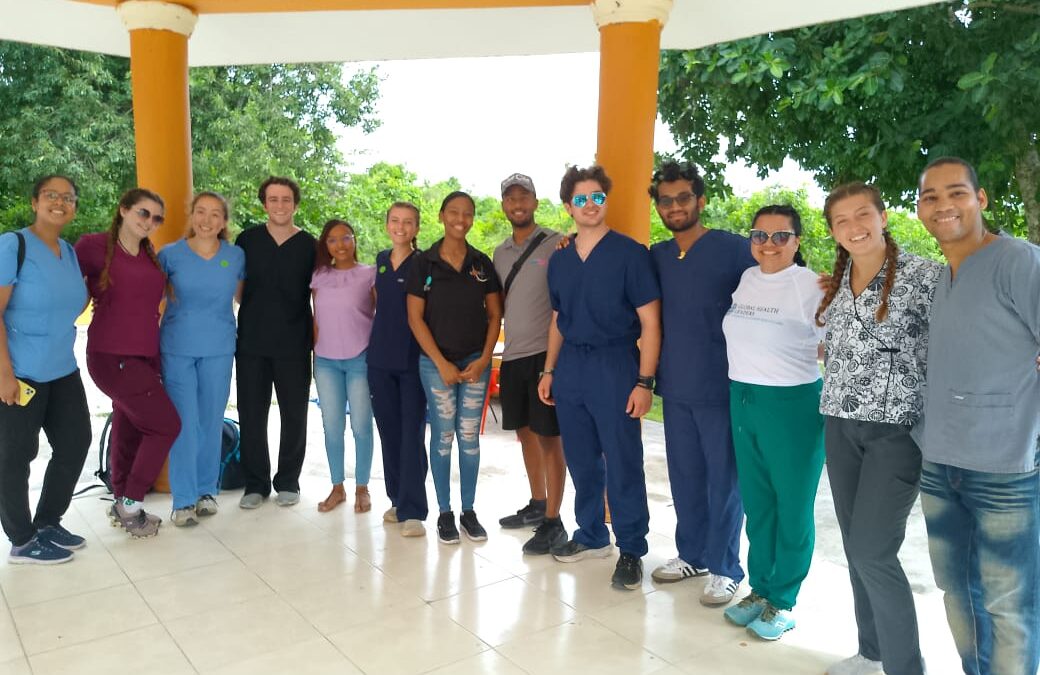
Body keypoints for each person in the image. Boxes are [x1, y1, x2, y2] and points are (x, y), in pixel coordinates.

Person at [915, 157, 1040, 675]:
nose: (944, 205)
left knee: (1009, 607)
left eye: (957, 193)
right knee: (956, 595)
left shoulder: (1018, 261)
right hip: (940, 465)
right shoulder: (944, 274)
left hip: (1004, 468)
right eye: (930, 197)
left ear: (981, 199)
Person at [815, 183, 940, 675]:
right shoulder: (836, 284)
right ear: (832, 231)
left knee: (873, 550)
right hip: (840, 425)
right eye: (841, 220)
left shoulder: (926, 277)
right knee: (854, 546)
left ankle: (905, 667)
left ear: (884, 216)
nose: (854, 227)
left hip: (897, 433)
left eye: (863, 214)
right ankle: (872, 652)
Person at [537, 164, 661, 590]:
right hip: (571, 366)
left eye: (598, 197)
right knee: (581, 458)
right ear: (568, 206)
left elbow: (651, 323)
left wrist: (644, 382)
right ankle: (591, 534)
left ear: (605, 201)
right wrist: (550, 369)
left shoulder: (631, 254)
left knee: (623, 459)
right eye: (581, 199)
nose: (591, 205)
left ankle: (631, 548)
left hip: (615, 365)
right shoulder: (560, 260)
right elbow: (557, 318)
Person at [648, 161, 754, 606]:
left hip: (722, 386)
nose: (675, 207)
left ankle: (726, 567)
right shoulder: (656, 256)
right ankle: (692, 553)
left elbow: (784, 273)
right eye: (666, 200)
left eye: (683, 198)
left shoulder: (733, 249)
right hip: (675, 385)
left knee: (724, 481)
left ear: (700, 200)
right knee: (685, 476)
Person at [720, 205, 824, 640]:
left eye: (780, 236)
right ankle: (760, 589)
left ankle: (783, 599)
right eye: (759, 235)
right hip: (743, 398)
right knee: (759, 502)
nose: (768, 245)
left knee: (793, 506)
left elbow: (831, 345)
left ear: (797, 241)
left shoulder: (812, 284)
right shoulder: (747, 277)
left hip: (792, 405)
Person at [77, 188, 181, 538]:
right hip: (111, 356)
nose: (149, 222)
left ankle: (122, 497)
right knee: (166, 425)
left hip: (144, 357)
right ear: (123, 210)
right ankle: (131, 501)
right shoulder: (93, 246)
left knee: (129, 427)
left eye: (156, 218)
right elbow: (64, 288)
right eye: (142, 213)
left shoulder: (148, 254)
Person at [0, 175, 91, 563]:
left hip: (62, 368)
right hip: (21, 371)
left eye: (68, 198)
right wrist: (3, 373)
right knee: (15, 455)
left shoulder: (68, 252)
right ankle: (22, 539)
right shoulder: (12, 245)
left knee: (75, 442)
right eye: (51, 196)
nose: (60, 203)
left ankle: (48, 521)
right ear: (35, 201)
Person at [407, 191, 502, 545]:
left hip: (475, 363)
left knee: (469, 438)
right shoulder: (424, 263)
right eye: (453, 212)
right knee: (444, 437)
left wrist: (484, 359)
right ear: (442, 216)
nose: (460, 219)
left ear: (472, 218)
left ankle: (469, 511)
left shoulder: (481, 263)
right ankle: (444, 513)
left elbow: (495, 315)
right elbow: (415, 319)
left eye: (467, 213)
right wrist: (441, 362)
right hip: (436, 366)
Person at [492, 173, 568, 555]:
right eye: (510, 198)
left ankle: (555, 521)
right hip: (513, 355)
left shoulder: (558, 243)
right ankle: (538, 504)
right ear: (504, 205)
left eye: (524, 197)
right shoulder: (500, 252)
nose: (517, 203)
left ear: (536, 202)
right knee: (524, 433)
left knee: (550, 438)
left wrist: (553, 366)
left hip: (545, 356)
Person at [159, 192, 245, 527]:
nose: (207, 220)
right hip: (177, 347)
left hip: (220, 347)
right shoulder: (170, 255)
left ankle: (207, 490)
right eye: (200, 212)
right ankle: (183, 499)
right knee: (184, 423)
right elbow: (152, 298)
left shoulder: (235, 256)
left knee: (211, 420)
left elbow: (245, 298)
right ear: (191, 215)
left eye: (215, 215)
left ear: (224, 221)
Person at [235, 176, 316, 509]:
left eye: (286, 199)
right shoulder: (247, 240)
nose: (280, 205)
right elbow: (238, 291)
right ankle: (255, 484)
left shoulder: (310, 245)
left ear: (295, 204)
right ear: (264, 203)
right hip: (252, 341)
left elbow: (318, 293)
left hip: (295, 343)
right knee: (251, 413)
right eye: (273, 199)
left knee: (294, 414)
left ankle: (288, 482)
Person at [369, 202, 428, 537]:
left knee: (411, 435)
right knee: (389, 433)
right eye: (395, 221)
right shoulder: (379, 261)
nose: (401, 227)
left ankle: (414, 511)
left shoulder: (423, 263)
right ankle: (396, 499)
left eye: (408, 222)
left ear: (417, 228)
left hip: (412, 361)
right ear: (387, 224)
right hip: (379, 360)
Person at [311, 219, 376, 514]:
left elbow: (384, 314)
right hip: (325, 360)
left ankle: (362, 487)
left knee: (361, 425)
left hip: (360, 358)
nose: (340, 244)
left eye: (346, 237)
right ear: (326, 245)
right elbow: (314, 318)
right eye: (333, 240)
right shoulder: (318, 276)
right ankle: (338, 487)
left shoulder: (369, 274)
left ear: (354, 240)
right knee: (332, 427)